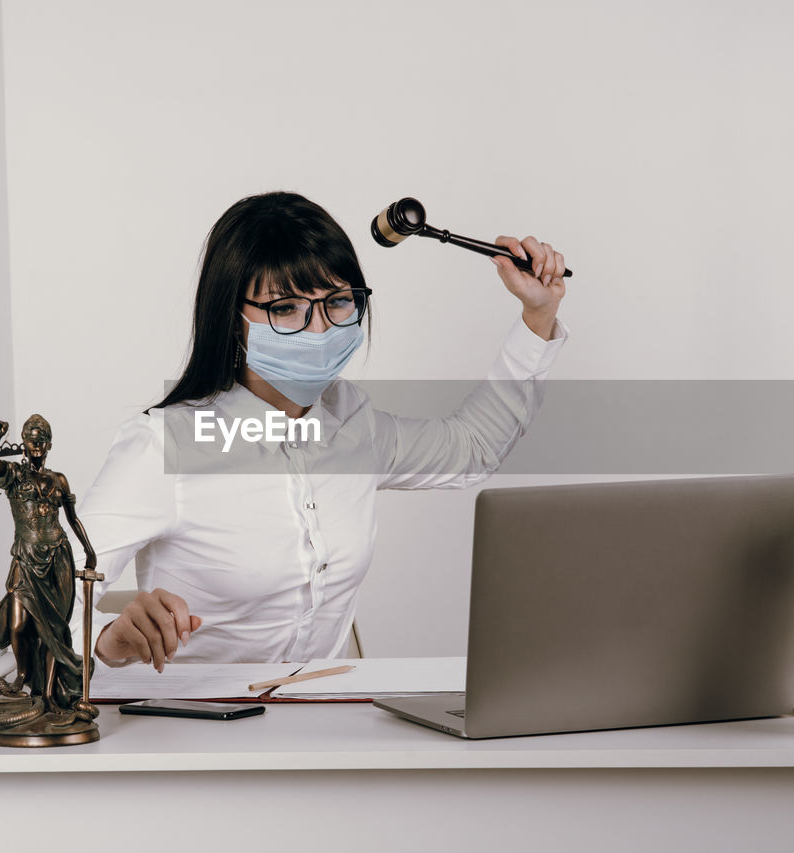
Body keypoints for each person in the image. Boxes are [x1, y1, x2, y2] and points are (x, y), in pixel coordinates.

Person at [69, 191, 567, 671]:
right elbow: (30, 613)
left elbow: (472, 449)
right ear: (230, 317)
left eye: (338, 302)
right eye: (285, 308)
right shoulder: (162, 446)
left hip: (323, 727)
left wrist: (537, 315)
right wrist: (107, 640)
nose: (319, 331)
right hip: (192, 733)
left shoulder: (352, 425)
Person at [0, 415, 97, 721]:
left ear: (49, 444)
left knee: (54, 632)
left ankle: (47, 694)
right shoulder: (14, 476)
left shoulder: (59, 480)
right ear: (24, 443)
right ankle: (22, 676)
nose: (36, 445)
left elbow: (73, 519)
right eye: (31, 440)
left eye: (42, 440)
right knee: (19, 624)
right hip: (25, 557)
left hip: (58, 559)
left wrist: (89, 550)